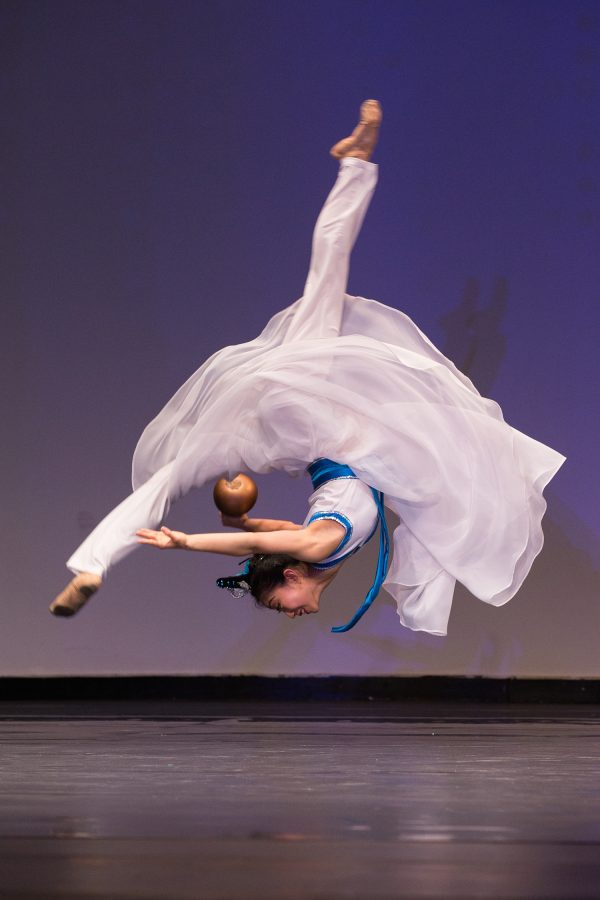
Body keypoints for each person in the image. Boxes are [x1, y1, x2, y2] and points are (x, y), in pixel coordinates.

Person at [50, 100, 565, 636]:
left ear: (292, 572)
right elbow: (268, 533)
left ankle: (93, 564)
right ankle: (355, 164)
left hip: (315, 416)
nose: (288, 611)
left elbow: (263, 543)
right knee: (172, 475)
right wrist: (241, 520)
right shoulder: (321, 547)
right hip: (296, 426)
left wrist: (189, 542)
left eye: (280, 602)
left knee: (322, 285)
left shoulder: (319, 544)